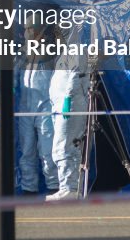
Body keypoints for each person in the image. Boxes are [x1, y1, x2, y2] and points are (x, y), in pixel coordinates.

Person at [47, 28, 88, 201]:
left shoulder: (76, 50)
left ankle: (69, 188)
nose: (57, 38)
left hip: (70, 106)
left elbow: (75, 75)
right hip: (61, 106)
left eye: (59, 34)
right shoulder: (65, 53)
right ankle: (69, 187)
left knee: (64, 146)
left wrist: (68, 98)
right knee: (64, 146)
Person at [19, 22, 58, 194]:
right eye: (25, 29)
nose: (26, 32)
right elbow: (12, 73)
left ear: (40, 30)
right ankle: (29, 189)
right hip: (25, 108)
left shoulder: (50, 51)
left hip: (45, 107)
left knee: (47, 151)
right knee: (26, 151)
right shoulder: (22, 53)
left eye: (30, 29)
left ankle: (53, 186)